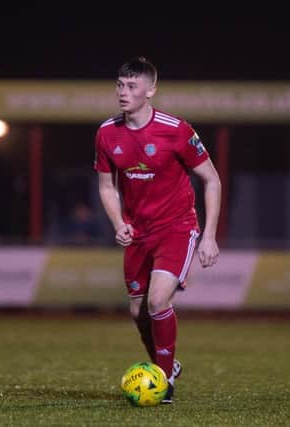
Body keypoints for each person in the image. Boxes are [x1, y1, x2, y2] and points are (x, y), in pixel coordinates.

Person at [93, 57, 221, 404]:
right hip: (138, 233)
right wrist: (119, 223)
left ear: (150, 90)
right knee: (138, 313)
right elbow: (106, 186)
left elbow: (211, 179)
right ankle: (167, 366)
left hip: (177, 227)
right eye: (120, 85)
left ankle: (163, 382)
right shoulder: (107, 133)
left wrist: (208, 235)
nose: (123, 92)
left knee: (157, 300)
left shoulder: (176, 129)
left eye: (132, 86)